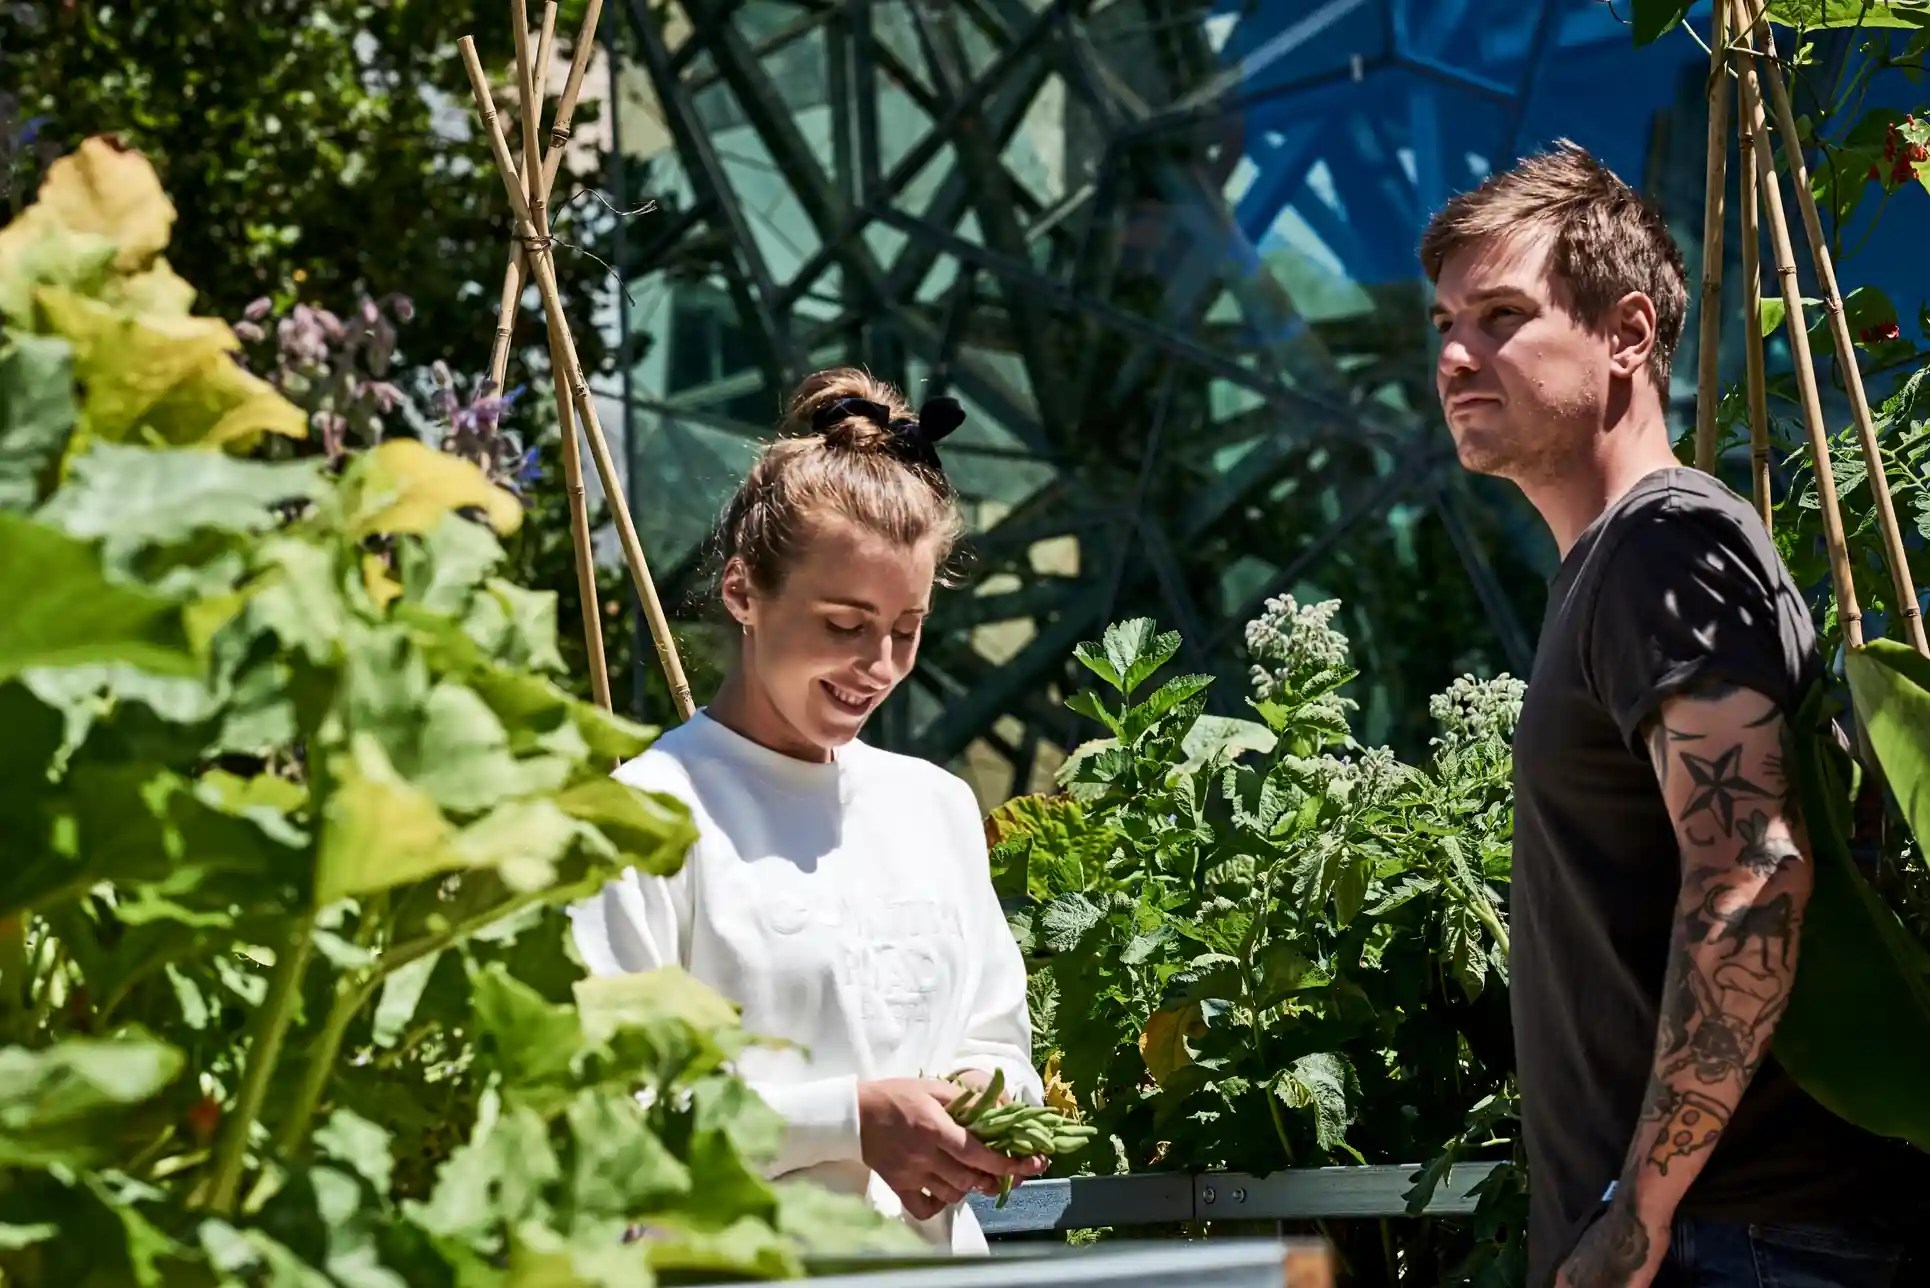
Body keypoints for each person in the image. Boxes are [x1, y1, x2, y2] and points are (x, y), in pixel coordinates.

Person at [1420, 143, 1913, 1288]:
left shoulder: (1664, 546)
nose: (1452, 354)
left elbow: (1753, 873)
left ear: (1627, 333)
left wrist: (1636, 1220)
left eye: (1501, 316)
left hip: (1739, 1242)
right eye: (1443, 323)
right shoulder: (1616, 563)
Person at [568, 368, 1046, 1253]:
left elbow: (1001, 1046)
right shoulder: (640, 818)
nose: (880, 664)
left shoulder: (936, 808)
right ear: (743, 592)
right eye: (844, 624)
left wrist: (986, 1103)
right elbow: (603, 1128)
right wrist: (852, 1122)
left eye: (906, 628)